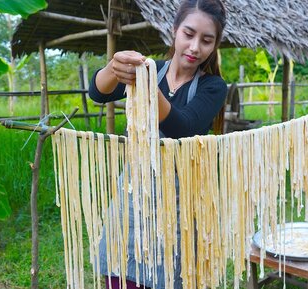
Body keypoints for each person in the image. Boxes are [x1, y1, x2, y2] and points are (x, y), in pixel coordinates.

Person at [88, 0, 227, 288]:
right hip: (133, 197)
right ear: (174, 31)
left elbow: (182, 126)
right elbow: (98, 93)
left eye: (206, 40)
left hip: (179, 207)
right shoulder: (153, 70)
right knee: (121, 272)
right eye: (188, 34)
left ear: (214, 45)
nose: (194, 47)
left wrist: (147, 84)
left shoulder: (212, 87)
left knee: (170, 275)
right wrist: (114, 68)